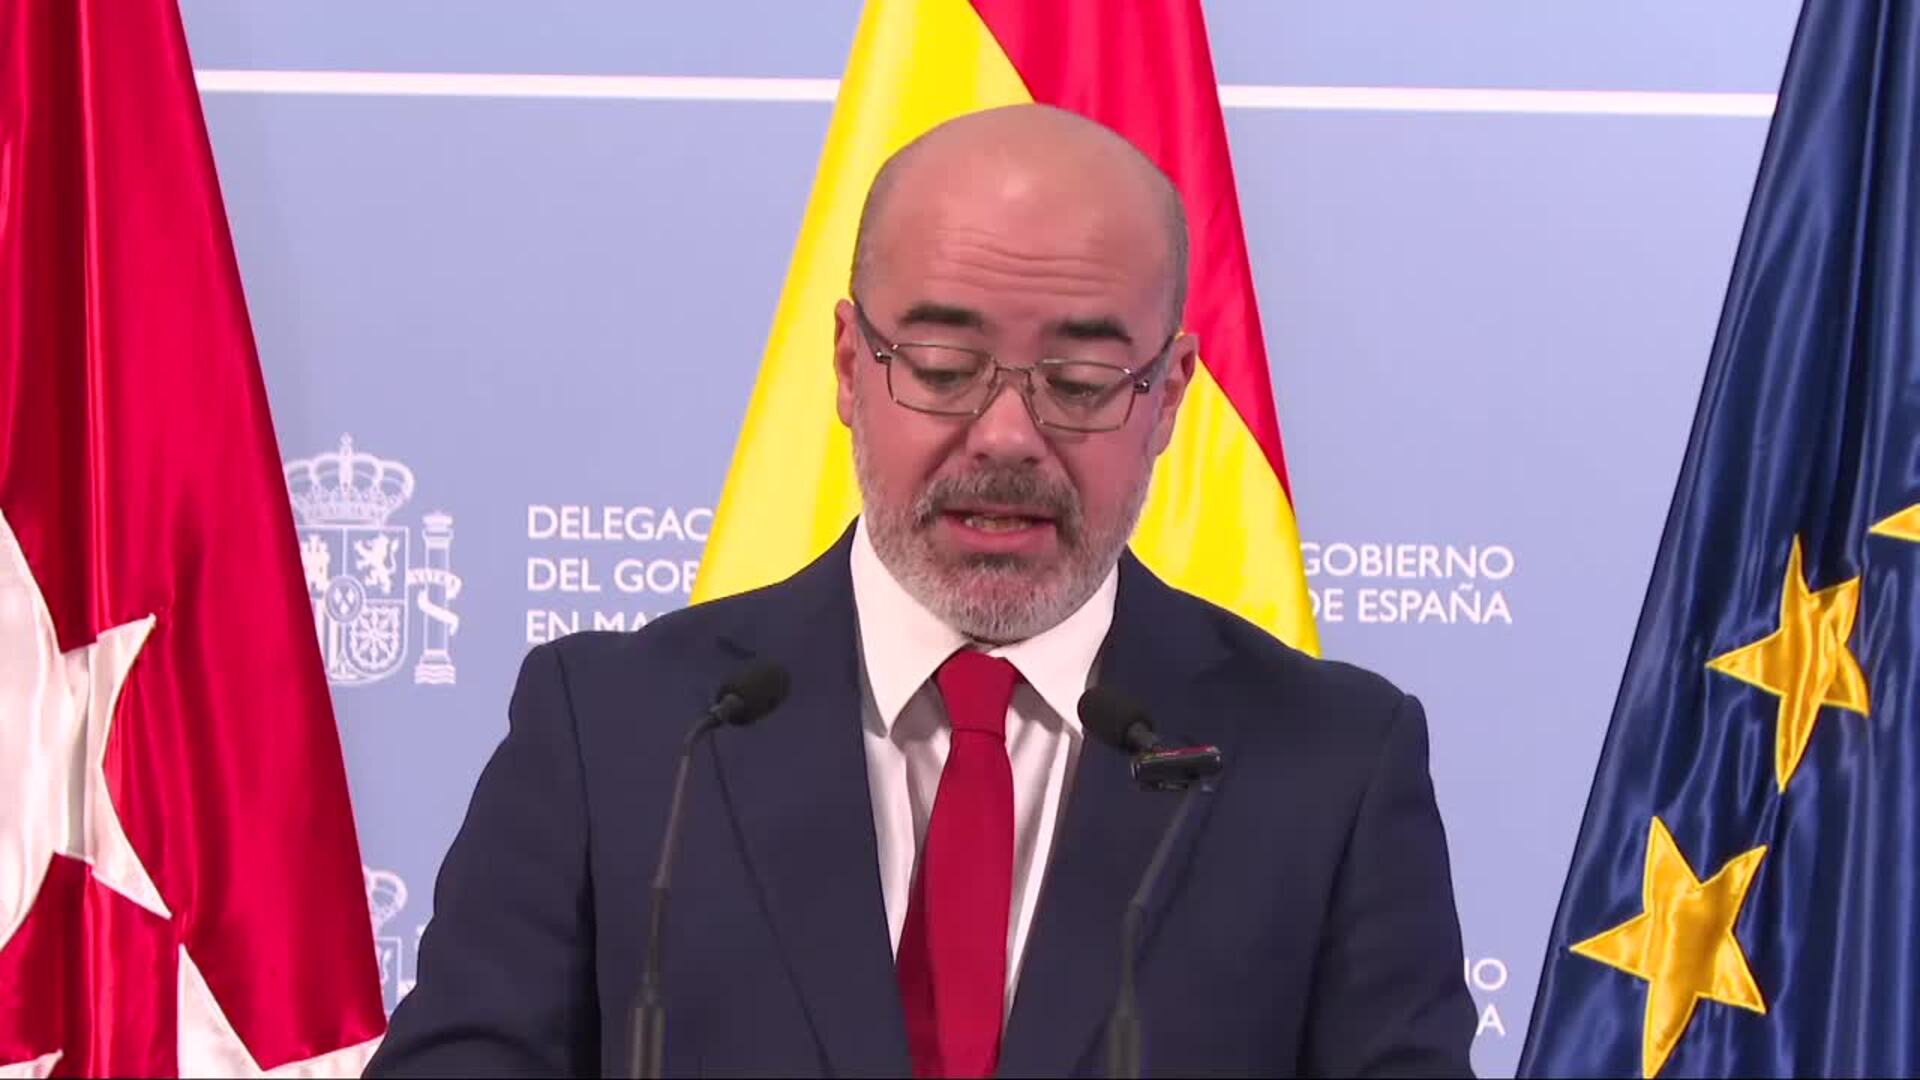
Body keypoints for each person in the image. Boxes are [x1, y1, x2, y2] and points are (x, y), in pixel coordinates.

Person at [366, 104, 1476, 1078]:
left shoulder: (1330, 764)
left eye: (1081, 382)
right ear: (851, 365)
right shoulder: (625, 736)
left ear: (1170, 395)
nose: (1006, 435)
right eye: (944, 369)